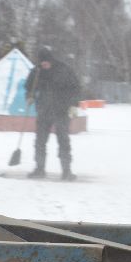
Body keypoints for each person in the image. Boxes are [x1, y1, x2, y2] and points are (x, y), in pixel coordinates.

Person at [26, 46, 80, 180]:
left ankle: (66, 171)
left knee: (63, 141)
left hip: (61, 110)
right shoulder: (36, 71)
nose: (44, 65)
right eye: (41, 62)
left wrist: (74, 105)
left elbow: (75, 88)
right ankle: (39, 169)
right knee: (40, 141)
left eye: (46, 62)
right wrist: (29, 96)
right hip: (43, 111)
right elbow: (29, 86)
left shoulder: (64, 70)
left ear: (51, 60)